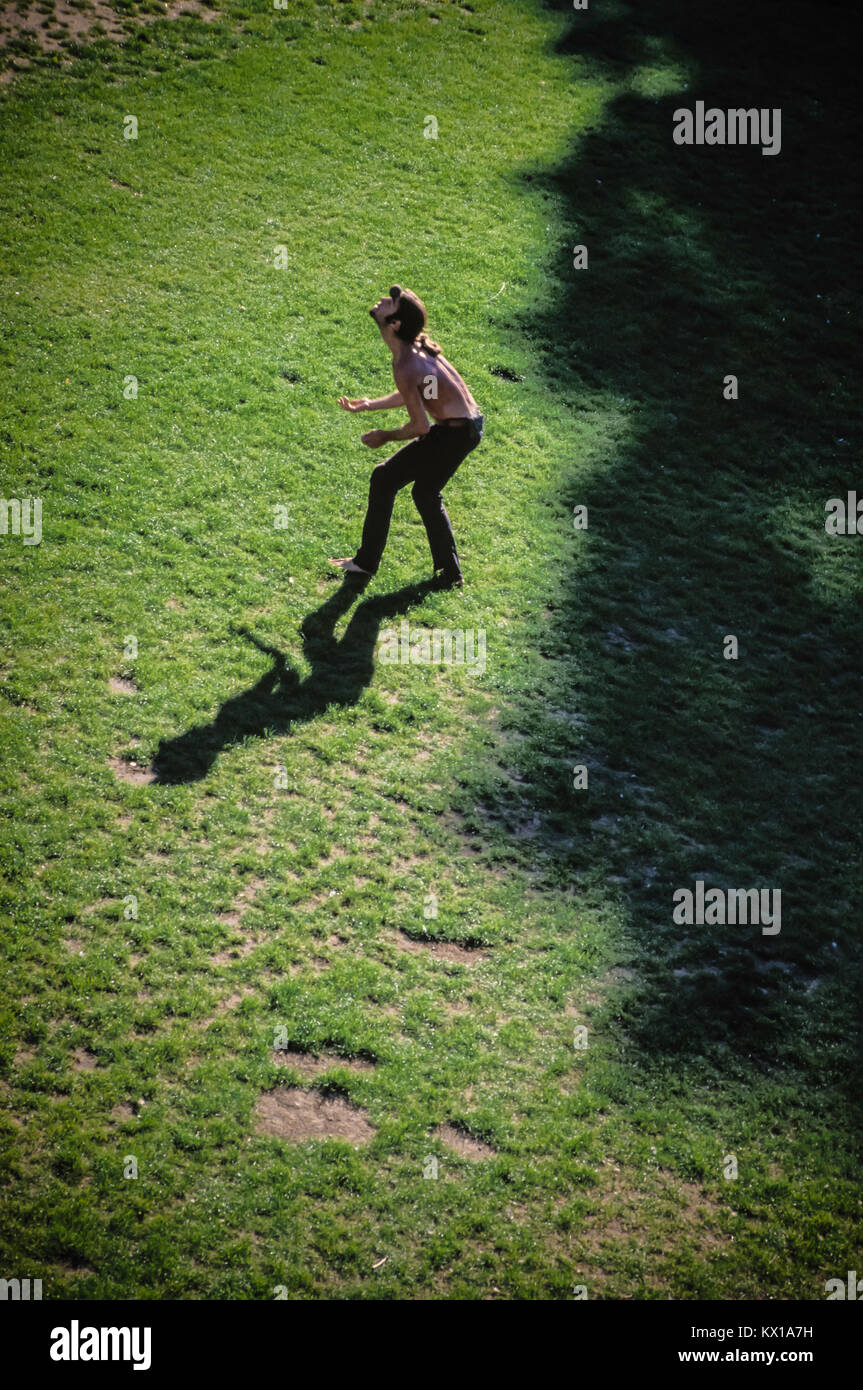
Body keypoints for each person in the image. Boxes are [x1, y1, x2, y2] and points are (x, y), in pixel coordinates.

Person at [329, 285, 483, 589]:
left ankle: (365, 563)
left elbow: (421, 427)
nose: (384, 299)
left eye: (392, 302)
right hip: (464, 427)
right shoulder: (416, 353)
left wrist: (385, 436)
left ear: (394, 324)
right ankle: (449, 576)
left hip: (454, 432)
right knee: (424, 494)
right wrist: (370, 404)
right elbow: (421, 392)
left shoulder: (407, 363)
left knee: (385, 478)